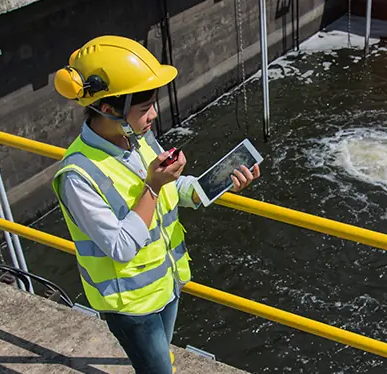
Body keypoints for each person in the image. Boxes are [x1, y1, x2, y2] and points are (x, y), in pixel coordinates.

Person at [51, 35, 260, 374]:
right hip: (131, 307)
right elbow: (120, 246)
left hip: (167, 283)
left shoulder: (138, 137)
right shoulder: (77, 176)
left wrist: (217, 185)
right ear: (108, 108)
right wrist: (152, 185)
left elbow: (172, 190)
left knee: (162, 361)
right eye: (144, 107)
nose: (154, 114)